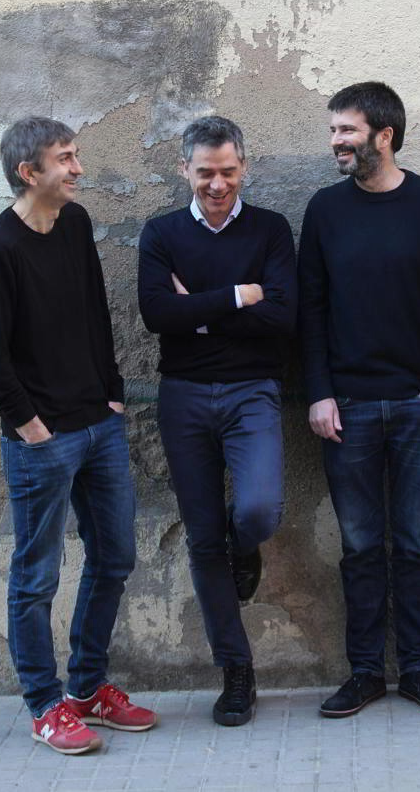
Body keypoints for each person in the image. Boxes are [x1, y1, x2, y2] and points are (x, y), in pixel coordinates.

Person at [0, 116, 155, 755]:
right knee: (36, 576)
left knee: (115, 556)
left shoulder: (74, 224)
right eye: (66, 158)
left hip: (99, 425)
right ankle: (44, 705)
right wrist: (31, 427)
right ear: (30, 172)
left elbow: (96, 312)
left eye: (76, 155)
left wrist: (112, 392)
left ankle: (87, 689)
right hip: (42, 441)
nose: (78, 168)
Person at [298, 81, 420, 718]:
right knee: (361, 545)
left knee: (418, 543)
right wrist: (320, 393)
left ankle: (418, 670)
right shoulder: (325, 209)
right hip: (347, 408)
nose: (336, 142)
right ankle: (366, 672)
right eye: (334, 131)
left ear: (385, 135)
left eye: (346, 130)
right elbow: (311, 310)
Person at [138, 115, 296, 726]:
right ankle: (236, 671)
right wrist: (236, 296)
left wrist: (197, 312)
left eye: (228, 171)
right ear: (185, 169)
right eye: (205, 172)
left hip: (252, 390)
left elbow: (282, 318)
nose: (217, 184)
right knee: (203, 538)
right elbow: (157, 315)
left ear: (244, 167)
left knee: (257, 510)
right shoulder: (161, 233)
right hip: (182, 397)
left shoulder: (271, 230)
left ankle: (244, 543)